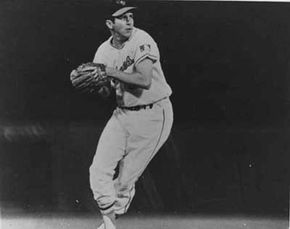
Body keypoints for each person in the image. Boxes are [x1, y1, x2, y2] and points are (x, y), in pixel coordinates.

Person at [89, 1, 173, 228]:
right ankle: (109, 226)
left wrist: (109, 71)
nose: (129, 21)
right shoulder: (103, 51)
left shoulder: (142, 40)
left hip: (154, 114)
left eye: (130, 16)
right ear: (109, 23)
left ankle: (108, 224)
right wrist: (99, 86)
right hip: (122, 114)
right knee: (98, 170)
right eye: (122, 17)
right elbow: (107, 90)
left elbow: (144, 81)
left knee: (124, 182)